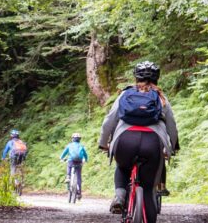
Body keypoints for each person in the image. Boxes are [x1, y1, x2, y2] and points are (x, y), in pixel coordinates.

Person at [99, 61, 179, 223]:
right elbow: (171, 124)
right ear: (157, 78)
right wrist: (173, 145)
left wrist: (103, 143)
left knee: (122, 167)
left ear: (136, 77)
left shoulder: (125, 94)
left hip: (125, 140)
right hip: (152, 143)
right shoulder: (161, 97)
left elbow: (109, 121)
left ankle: (120, 196)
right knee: (149, 190)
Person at [60, 132, 88, 199]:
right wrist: (86, 160)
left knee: (69, 165)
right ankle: (79, 193)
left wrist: (61, 158)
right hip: (79, 161)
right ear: (79, 139)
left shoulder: (69, 145)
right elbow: (85, 155)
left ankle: (68, 176)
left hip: (71, 160)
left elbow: (64, 153)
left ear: (72, 139)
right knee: (79, 177)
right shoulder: (81, 146)